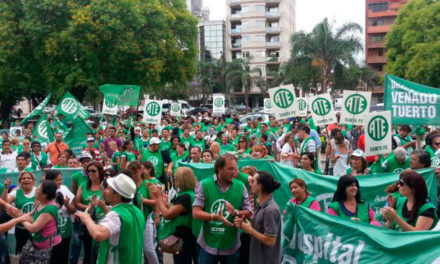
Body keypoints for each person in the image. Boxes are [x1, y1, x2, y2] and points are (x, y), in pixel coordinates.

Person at [193, 154, 251, 264]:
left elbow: (249, 212)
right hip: (208, 244)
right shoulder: (204, 185)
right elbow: (196, 213)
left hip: (231, 244)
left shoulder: (240, 186)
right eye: (230, 169)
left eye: (235, 169)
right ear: (219, 168)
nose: (234, 172)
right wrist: (213, 216)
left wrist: (236, 212)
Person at [76, 174, 145, 264]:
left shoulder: (116, 214)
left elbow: (98, 234)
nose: (104, 192)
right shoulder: (137, 211)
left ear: (117, 195)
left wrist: (87, 218)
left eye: (108, 189)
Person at [152, 167, 199, 264]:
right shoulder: (190, 193)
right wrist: (161, 196)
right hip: (191, 236)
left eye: (175, 177)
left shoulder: (185, 197)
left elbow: (167, 214)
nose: (173, 179)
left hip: (184, 239)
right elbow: (174, 208)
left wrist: (158, 198)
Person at [234, 171, 282, 264]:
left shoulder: (270, 210)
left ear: (259, 186)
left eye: (253, 181)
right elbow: (259, 230)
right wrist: (244, 226)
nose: (250, 184)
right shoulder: (261, 206)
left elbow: (270, 241)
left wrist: (250, 230)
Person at [15, 180, 62, 263]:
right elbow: (31, 217)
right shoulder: (40, 202)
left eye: (38, 190)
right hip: (36, 243)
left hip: (47, 248)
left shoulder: (48, 209)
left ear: (44, 195)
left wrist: (20, 218)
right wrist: (20, 214)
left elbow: (33, 228)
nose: (35, 191)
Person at [73, 162, 105, 264]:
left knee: (101, 251)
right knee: (88, 251)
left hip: (102, 222)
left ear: (100, 171)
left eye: (93, 171)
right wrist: (90, 206)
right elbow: (77, 203)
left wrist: (98, 206)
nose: (91, 173)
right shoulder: (83, 185)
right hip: (87, 223)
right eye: (88, 171)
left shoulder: (105, 185)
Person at [44, 170, 76, 264]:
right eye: (56, 180)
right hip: (49, 232)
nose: (59, 182)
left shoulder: (64, 189)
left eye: (60, 179)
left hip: (64, 230)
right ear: (49, 181)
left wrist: (66, 204)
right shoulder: (42, 191)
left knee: (63, 256)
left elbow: (72, 210)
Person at [7, 172, 36, 254]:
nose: (26, 180)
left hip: (35, 228)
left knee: (35, 253)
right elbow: (4, 203)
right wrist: (6, 189)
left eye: (28, 178)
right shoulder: (16, 193)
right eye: (23, 178)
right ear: (20, 181)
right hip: (21, 229)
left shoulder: (38, 191)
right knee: (22, 253)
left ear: (33, 180)